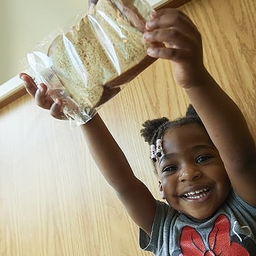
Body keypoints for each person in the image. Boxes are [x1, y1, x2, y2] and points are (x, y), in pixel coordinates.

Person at [20, 8, 256, 256]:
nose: (189, 173)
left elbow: (242, 159)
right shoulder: (164, 227)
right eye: (170, 168)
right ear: (161, 188)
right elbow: (124, 184)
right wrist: (83, 115)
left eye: (202, 158)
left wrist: (193, 78)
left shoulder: (246, 206)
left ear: (225, 165)